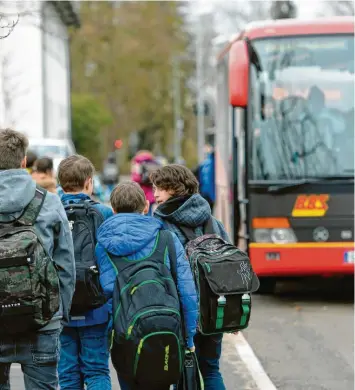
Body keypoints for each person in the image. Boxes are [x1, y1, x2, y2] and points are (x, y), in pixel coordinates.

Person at [95, 181, 198, 390]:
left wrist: (106, 341)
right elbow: (187, 291)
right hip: (165, 329)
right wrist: (188, 337)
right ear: (145, 207)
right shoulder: (166, 238)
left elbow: (106, 296)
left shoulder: (103, 246)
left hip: (124, 336)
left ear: (113, 209)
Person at [0, 129, 76, 390]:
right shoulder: (50, 202)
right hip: (41, 321)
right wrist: (59, 314)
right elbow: (66, 265)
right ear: (23, 162)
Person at [151, 164, 230, 390]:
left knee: (178, 372)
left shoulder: (162, 223)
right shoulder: (213, 221)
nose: (155, 194)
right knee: (212, 370)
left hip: (182, 311)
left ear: (175, 189)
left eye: (160, 189)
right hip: (214, 308)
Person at [57, 155, 113, 390]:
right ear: (89, 182)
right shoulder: (103, 213)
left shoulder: (51, 211)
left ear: (60, 182)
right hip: (96, 307)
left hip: (61, 306)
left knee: (68, 373)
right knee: (97, 370)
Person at [131, 150, 160, 215]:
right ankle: (149, 222)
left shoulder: (137, 162)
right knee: (149, 210)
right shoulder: (153, 161)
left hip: (142, 192)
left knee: (141, 211)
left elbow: (135, 178)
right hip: (152, 191)